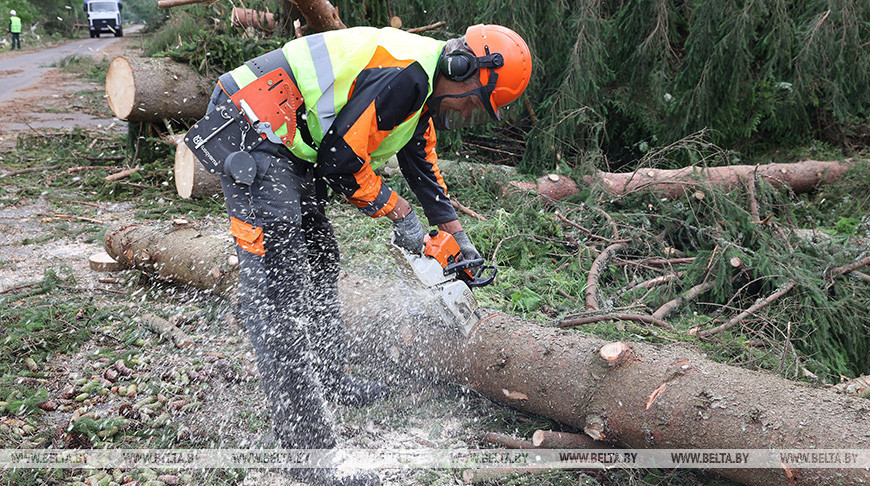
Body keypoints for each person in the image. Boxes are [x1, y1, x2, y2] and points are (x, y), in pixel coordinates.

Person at [203, 24, 531, 485]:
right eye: (474, 100)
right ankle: (309, 460)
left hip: (288, 135)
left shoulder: (423, 93)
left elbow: (422, 165)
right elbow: (341, 160)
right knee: (280, 289)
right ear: (463, 68)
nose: (467, 110)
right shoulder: (409, 76)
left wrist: (456, 236)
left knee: (320, 257)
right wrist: (399, 214)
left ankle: (332, 378)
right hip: (253, 121)